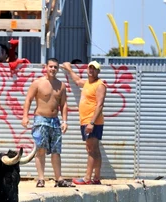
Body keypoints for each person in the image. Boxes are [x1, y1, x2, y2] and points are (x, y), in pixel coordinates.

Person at [22, 58, 72, 188]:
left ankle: (59, 179)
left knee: (56, 151)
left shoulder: (61, 85)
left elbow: (64, 104)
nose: (53, 69)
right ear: (46, 67)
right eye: (51, 67)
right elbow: (28, 99)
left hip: (55, 121)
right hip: (41, 119)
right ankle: (41, 179)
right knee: (41, 150)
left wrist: (65, 121)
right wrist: (25, 116)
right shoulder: (37, 83)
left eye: (55, 67)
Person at [62, 60, 107, 185]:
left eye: (94, 69)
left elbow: (100, 105)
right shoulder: (87, 83)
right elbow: (77, 81)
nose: (91, 70)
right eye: (90, 68)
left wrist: (91, 123)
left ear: (98, 71)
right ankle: (96, 178)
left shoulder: (100, 85)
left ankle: (87, 178)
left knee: (91, 149)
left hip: (92, 121)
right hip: (87, 120)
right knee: (94, 149)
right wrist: (69, 69)